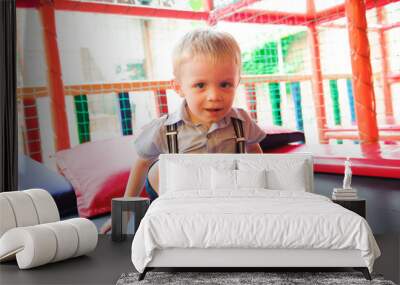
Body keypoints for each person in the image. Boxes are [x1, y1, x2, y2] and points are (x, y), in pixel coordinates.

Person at [100, 29, 266, 234]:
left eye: (225, 84)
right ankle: (172, 218)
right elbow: (142, 162)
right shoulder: (165, 128)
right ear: (178, 87)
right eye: (200, 85)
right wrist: (124, 213)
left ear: (237, 82)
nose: (214, 95)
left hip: (221, 189)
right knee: (159, 167)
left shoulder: (241, 121)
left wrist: (261, 193)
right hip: (175, 192)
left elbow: (255, 152)